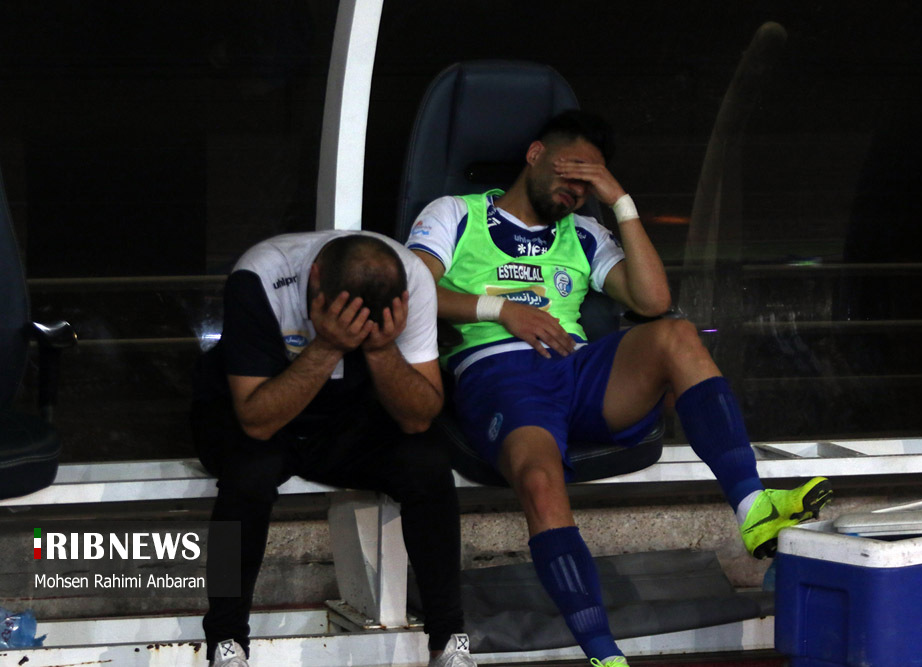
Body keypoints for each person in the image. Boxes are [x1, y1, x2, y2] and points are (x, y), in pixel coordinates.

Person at [405, 110, 832, 667]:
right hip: (499, 374)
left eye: (590, 182)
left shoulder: (583, 232)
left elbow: (652, 300)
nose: (577, 189)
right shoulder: (456, 214)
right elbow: (410, 290)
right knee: (540, 480)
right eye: (571, 171)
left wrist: (621, 201)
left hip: (578, 370)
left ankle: (753, 508)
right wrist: (500, 311)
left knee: (675, 334)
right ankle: (604, 655)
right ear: (535, 154)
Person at [191, 231, 476, 667]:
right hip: (254, 415)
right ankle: (225, 643)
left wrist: (381, 348)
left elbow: (419, 416)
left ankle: (448, 641)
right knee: (246, 478)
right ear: (316, 278)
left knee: (428, 461)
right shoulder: (261, 275)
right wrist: (328, 345)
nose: (356, 326)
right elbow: (256, 419)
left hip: (345, 420)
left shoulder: (413, 280)